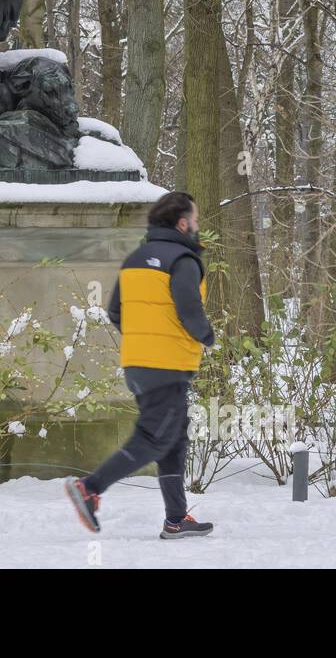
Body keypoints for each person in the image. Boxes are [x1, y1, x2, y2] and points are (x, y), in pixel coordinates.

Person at [64, 191, 216, 540]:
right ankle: (90, 487)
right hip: (169, 364)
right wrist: (208, 337)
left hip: (137, 363)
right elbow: (190, 311)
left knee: (174, 439)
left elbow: (115, 312)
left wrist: (142, 340)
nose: (197, 224)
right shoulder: (183, 259)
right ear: (182, 223)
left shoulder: (135, 259)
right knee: (153, 438)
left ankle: (176, 519)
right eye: (194, 218)